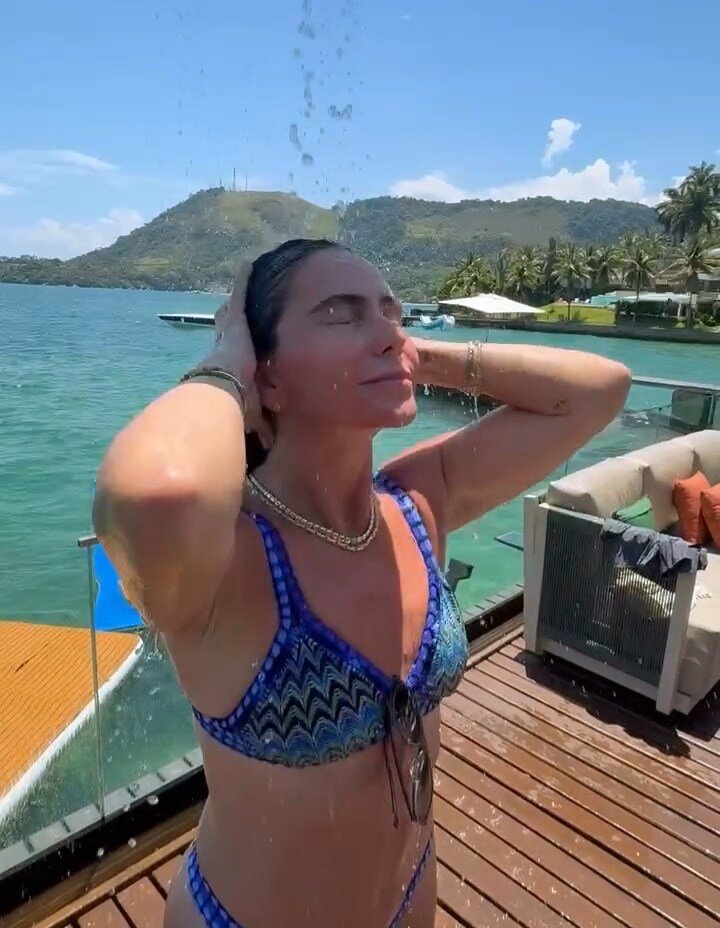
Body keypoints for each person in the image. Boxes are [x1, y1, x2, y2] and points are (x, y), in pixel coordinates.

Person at [92, 238, 631, 928]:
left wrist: (412, 355)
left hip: (409, 896)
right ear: (269, 375)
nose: (385, 329)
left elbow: (597, 390)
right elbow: (157, 492)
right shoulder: (230, 559)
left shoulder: (417, 502)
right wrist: (226, 363)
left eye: (390, 311)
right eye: (340, 312)